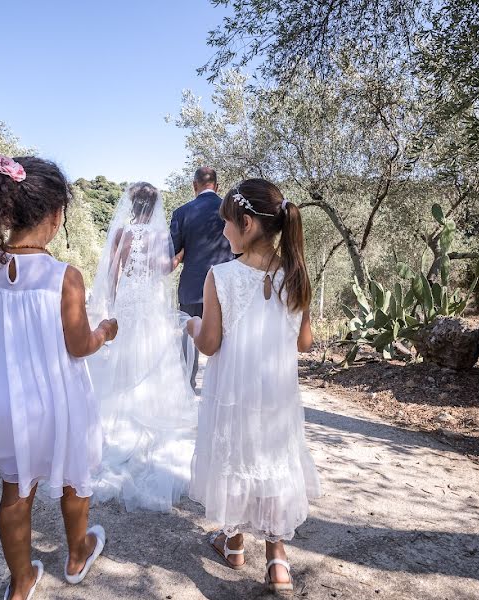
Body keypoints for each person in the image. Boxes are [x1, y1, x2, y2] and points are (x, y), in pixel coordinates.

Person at [0, 155, 116, 599]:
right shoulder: (64, 277)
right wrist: (104, 331)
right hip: (59, 400)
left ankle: (22, 580)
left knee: (15, 491)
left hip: (5, 404)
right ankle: (78, 552)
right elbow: (79, 345)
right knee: (72, 478)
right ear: (55, 215)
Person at [187, 178, 321, 596]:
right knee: (271, 460)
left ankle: (233, 542)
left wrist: (191, 325)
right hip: (276, 396)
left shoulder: (220, 276)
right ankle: (277, 561)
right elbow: (304, 342)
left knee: (236, 457)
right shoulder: (297, 275)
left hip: (234, 393)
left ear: (246, 223)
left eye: (226, 224)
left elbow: (209, 343)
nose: (223, 232)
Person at [85, 182, 197, 512]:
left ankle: (121, 418)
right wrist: (178, 257)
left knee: (125, 355)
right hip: (148, 300)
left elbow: (113, 269)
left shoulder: (121, 231)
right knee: (152, 353)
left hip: (128, 301)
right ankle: (149, 413)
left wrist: (113, 300)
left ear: (132, 204)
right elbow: (161, 269)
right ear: (154, 206)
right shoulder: (159, 235)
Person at [169, 167, 234, 387]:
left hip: (192, 286)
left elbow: (173, 251)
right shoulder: (231, 211)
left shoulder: (181, 212)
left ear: (194, 185)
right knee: (227, 341)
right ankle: (223, 387)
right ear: (217, 186)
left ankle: (187, 388)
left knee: (188, 342)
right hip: (226, 286)